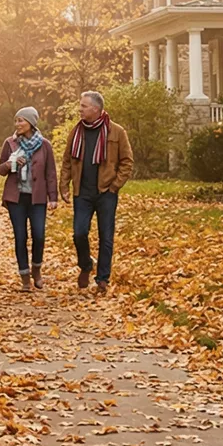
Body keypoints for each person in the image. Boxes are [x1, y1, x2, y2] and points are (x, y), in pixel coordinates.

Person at [60, 90, 134, 295]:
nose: (80, 109)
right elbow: (67, 161)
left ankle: (102, 279)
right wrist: (64, 185)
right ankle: (85, 264)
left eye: (83, 106)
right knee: (79, 233)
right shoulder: (76, 132)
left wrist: (114, 186)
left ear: (95, 109)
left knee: (106, 236)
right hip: (82, 193)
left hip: (106, 192)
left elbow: (127, 162)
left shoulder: (116, 132)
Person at [0, 106, 58, 291]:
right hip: (17, 198)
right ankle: (24, 277)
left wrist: (52, 197)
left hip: (37, 198)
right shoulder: (10, 143)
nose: (18, 124)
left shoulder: (44, 144)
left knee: (39, 235)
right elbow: (0, 169)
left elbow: (51, 172)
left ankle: (36, 270)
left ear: (31, 122)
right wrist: (9, 164)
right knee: (20, 236)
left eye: (21, 120)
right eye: (16, 121)